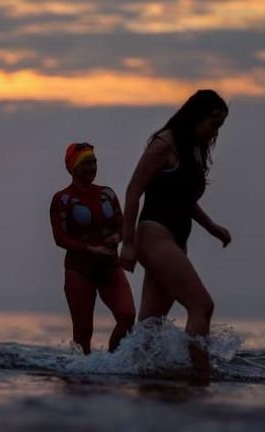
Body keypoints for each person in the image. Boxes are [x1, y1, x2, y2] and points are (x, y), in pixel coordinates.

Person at [119, 89, 232, 383]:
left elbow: (183, 198)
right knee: (202, 306)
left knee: (150, 324)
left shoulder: (192, 149)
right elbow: (134, 189)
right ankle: (201, 375)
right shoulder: (164, 143)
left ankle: (133, 373)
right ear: (195, 117)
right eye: (213, 124)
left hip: (175, 240)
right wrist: (127, 243)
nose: (215, 132)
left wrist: (211, 226)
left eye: (220, 126)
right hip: (154, 235)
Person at [50, 142, 136, 354]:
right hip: (79, 271)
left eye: (94, 162)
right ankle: (81, 371)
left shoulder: (107, 194)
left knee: (127, 316)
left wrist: (117, 237)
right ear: (73, 168)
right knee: (83, 333)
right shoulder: (62, 199)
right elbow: (60, 238)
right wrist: (89, 249)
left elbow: (123, 224)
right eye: (86, 163)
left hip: (110, 268)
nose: (92, 167)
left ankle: (113, 361)